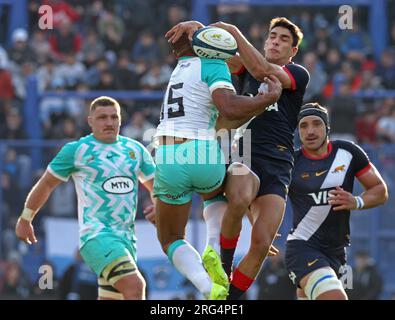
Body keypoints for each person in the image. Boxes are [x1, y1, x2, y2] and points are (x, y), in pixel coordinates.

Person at [166, 17, 310, 299]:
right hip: (245, 151)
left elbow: (262, 69)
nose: (275, 41)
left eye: (283, 39)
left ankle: (228, 300)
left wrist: (232, 30)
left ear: (293, 51)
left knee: (262, 243)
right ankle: (223, 266)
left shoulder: (296, 73)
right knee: (241, 196)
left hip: (279, 163)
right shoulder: (244, 66)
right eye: (272, 36)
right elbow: (209, 50)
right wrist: (197, 28)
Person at [15, 96, 156, 300]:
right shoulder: (76, 150)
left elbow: (157, 188)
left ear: (120, 120)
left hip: (126, 239)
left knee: (112, 298)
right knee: (135, 286)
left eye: (113, 117)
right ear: (90, 121)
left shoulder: (136, 150)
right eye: (102, 117)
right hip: (96, 236)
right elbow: (46, 183)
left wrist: (159, 206)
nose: (108, 122)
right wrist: (25, 218)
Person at [285, 103, 388, 300]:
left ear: (327, 128)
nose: (310, 131)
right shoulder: (291, 162)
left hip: (336, 252)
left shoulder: (348, 152)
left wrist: (356, 201)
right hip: (302, 247)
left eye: (316, 124)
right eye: (303, 126)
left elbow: (379, 190)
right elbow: (263, 192)